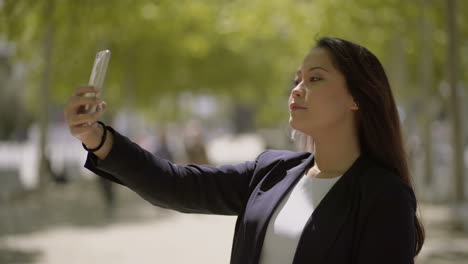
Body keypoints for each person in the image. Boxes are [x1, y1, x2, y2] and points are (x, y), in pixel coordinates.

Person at [64, 37, 424, 264]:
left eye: (314, 78)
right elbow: (174, 185)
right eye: (296, 79)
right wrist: (97, 137)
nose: (297, 89)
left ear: (356, 98)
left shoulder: (385, 197)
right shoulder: (272, 171)